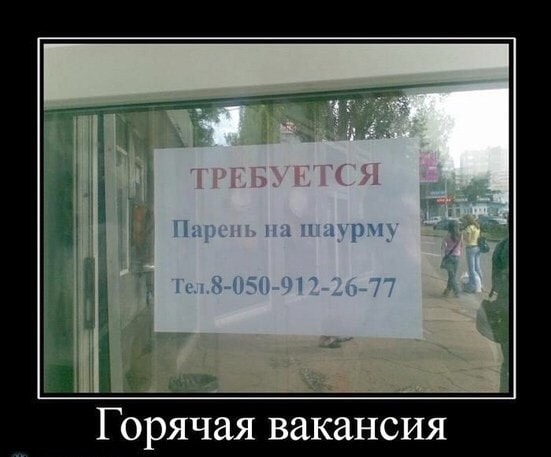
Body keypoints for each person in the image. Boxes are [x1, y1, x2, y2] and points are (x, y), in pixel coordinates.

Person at [441, 220, 462, 297]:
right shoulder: (460, 235)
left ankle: (456, 291)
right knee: (452, 276)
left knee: (451, 276)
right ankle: (447, 291)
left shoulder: (447, 235)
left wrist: (446, 249)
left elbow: (443, 246)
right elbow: (461, 245)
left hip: (449, 257)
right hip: (457, 257)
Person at [463, 214, 482, 293]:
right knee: (477, 267)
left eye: (464, 220)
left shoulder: (469, 228)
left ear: (467, 220)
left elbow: (468, 240)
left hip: (470, 248)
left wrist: (463, 237)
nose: (464, 221)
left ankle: (472, 286)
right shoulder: (477, 227)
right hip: (477, 247)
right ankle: (480, 284)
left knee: (471, 269)